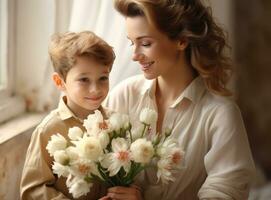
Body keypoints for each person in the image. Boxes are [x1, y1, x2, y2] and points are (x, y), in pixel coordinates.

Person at [102, 0, 255, 199]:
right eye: (132, 42)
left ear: (182, 40)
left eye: (146, 43)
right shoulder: (124, 94)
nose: (135, 55)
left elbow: (224, 192)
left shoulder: (220, 114)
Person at [20, 31, 115, 200]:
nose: (96, 89)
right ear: (59, 82)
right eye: (84, 80)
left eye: (103, 78)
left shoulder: (115, 122)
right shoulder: (49, 130)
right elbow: (32, 190)